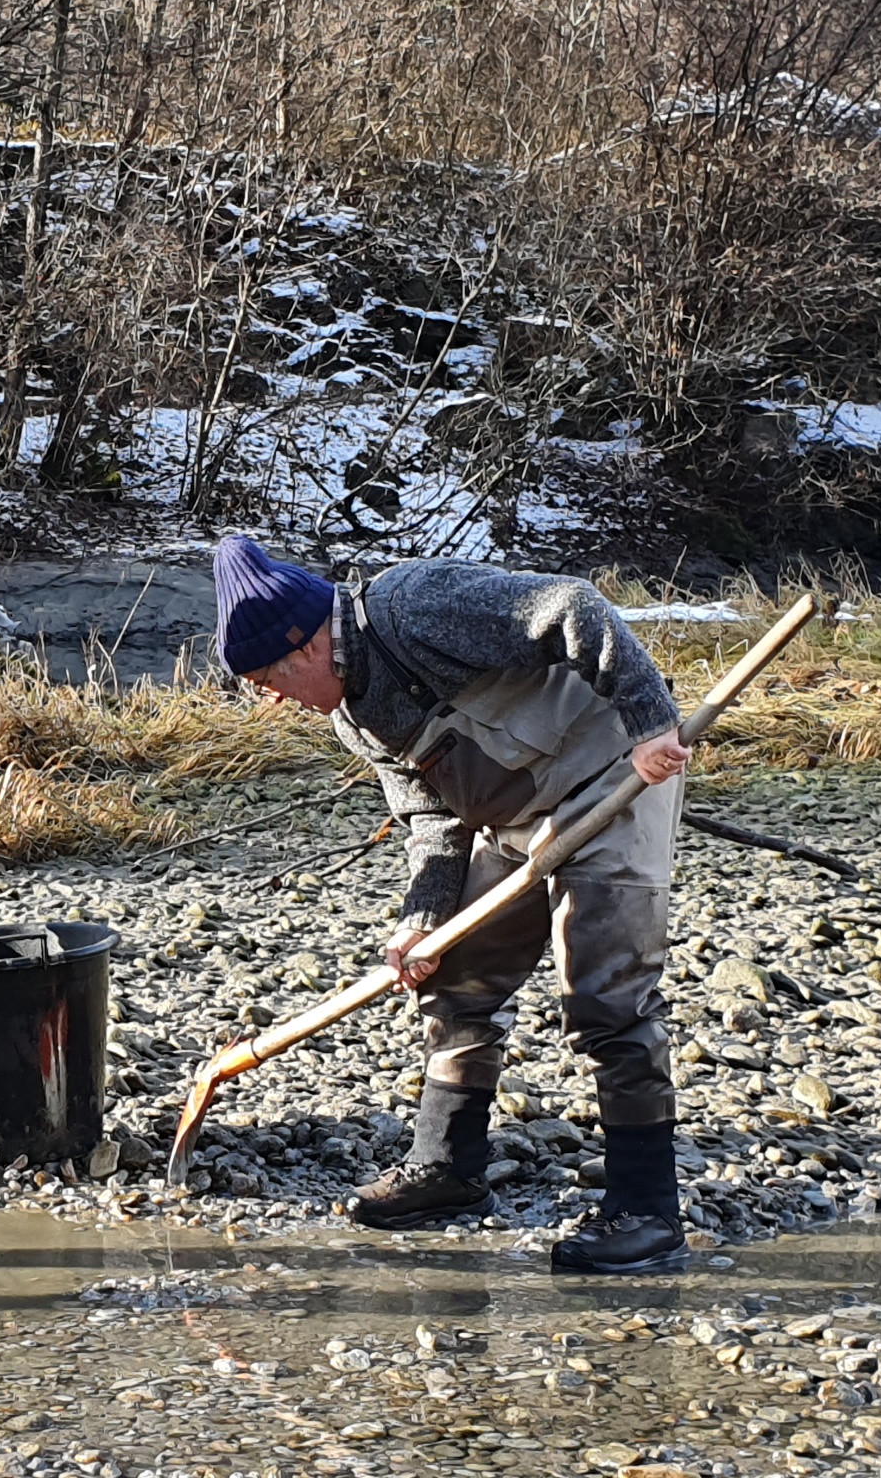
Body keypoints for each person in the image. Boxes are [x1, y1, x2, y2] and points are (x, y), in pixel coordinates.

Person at [211, 535, 692, 1274]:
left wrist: (652, 724)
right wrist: (422, 920)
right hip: (517, 820)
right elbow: (432, 820)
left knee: (607, 998)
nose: (270, 699)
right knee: (456, 978)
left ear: (304, 646)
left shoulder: (414, 606)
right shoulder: (353, 716)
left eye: (266, 681)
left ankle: (647, 1211)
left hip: (616, 779)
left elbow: (572, 606)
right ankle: (447, 1168)